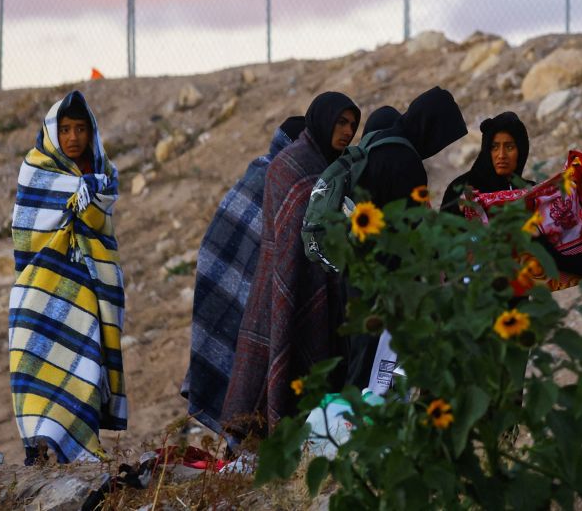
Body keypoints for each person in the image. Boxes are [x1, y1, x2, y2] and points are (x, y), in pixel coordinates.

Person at [221, 92, 360, 439]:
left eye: (353, 125)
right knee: (279, 361)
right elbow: (287, 236)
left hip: (321, 285)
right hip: (282, 281)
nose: (346, 131)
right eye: (341, 122)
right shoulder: (288, 166)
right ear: (323, 119)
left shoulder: (336, 171)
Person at [9, 91, 124, 463]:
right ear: (52, 132)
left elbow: (101, 230)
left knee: (83, 368)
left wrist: (89, 191)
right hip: (39, 290)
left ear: (92, 133)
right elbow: (27, 232)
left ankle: (80, 449)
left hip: (85, 290)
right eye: (65, 129)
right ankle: (40, 450)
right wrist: (80, 191)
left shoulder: (102, 178)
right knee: (38, 373)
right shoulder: (36, 169)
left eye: (80, 129)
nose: (73, 137)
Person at [182, 115, 306, 439]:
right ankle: (240, 449)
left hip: (248, 296)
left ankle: (240, 449)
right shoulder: (273, 181)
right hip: (238, 293)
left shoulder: (272, 177)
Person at [344, 90, 467, 389]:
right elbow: (411, 232)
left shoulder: (378, 147)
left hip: (358, 269)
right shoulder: (406, 159)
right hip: (388, 280)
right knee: (377, 369)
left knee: (359, 357)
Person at [442, 112, 532, 212]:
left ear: (521, 151)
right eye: (494, 147)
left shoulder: (533, 193)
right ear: (486, 151)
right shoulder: (459, 190)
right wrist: (460, 209)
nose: (501, 155)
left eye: (509, 147)